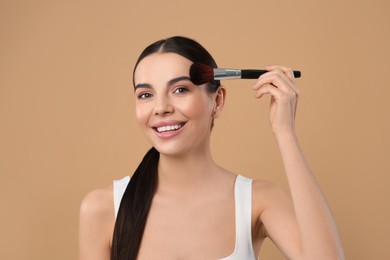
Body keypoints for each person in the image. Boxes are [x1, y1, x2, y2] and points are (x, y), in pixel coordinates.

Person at [79, 36, 344, 260]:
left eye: (180, 89)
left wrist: (285, 133)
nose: (161, 108)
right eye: (145, 95)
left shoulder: (258, 201)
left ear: (217, 100)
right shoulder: (103, 208)